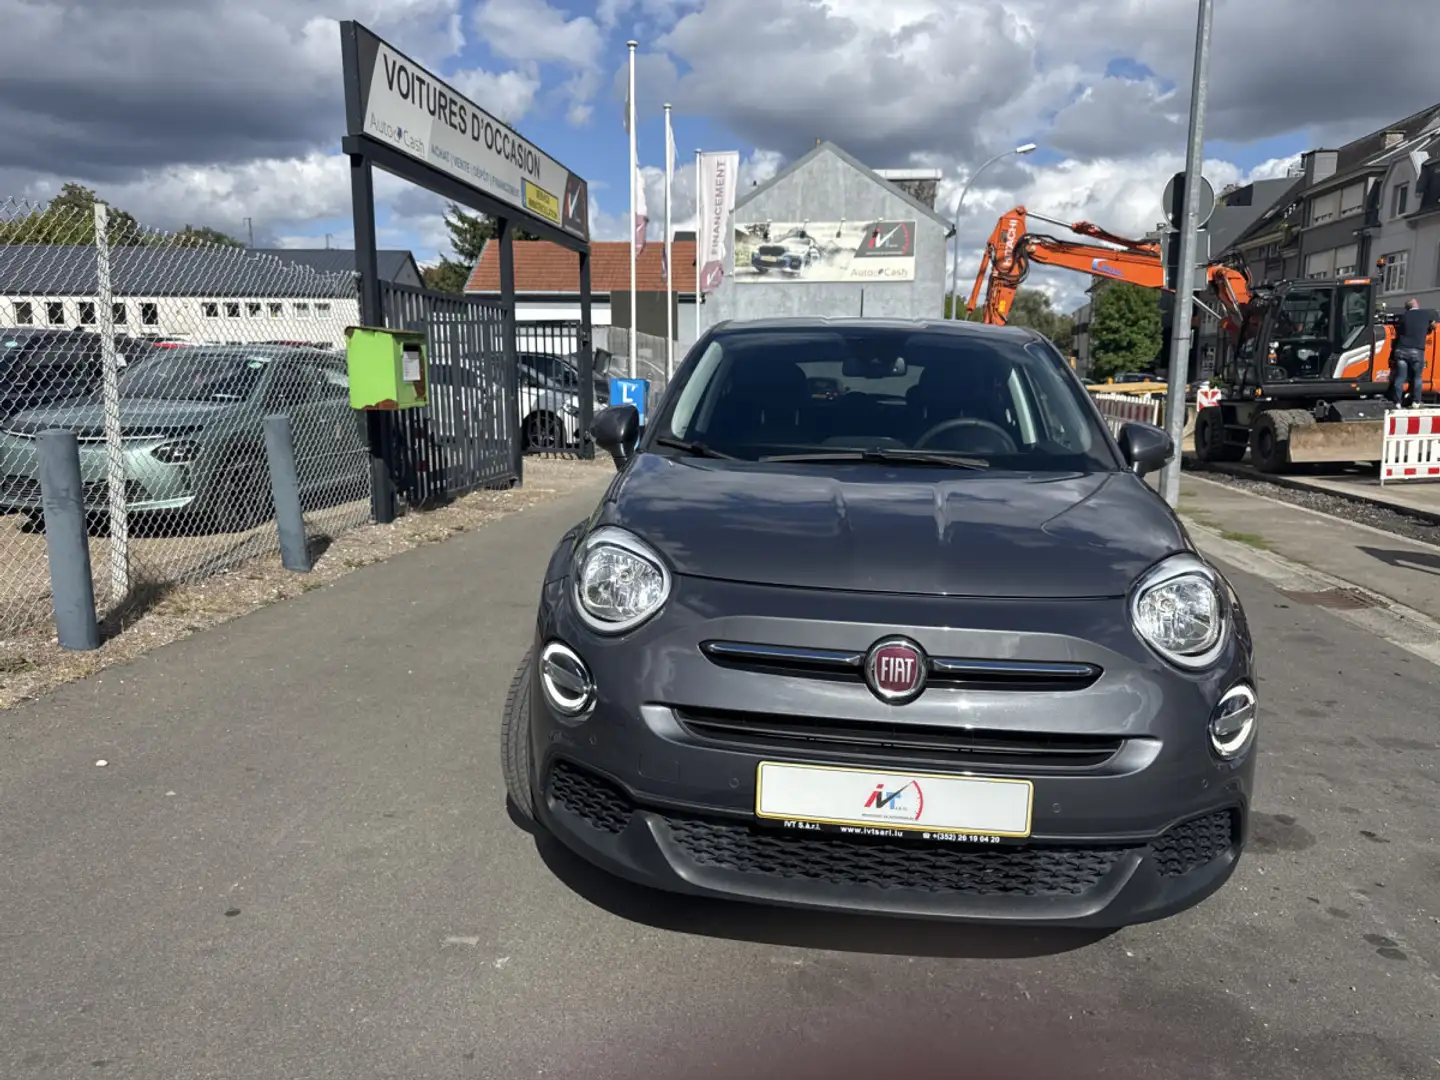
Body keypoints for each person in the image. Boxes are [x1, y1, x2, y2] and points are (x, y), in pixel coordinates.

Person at [1391, 297, 1437, 408]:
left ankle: (1397, 402)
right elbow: (1434, 325)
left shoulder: (1404, 317)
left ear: (1407, 308)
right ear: (1417, 304)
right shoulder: (1425, 314)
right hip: (1417, 351)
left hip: (1401, 350)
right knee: (1417, 377)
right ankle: (1416, 402)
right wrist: (1427, 328)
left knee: (1400, 377)